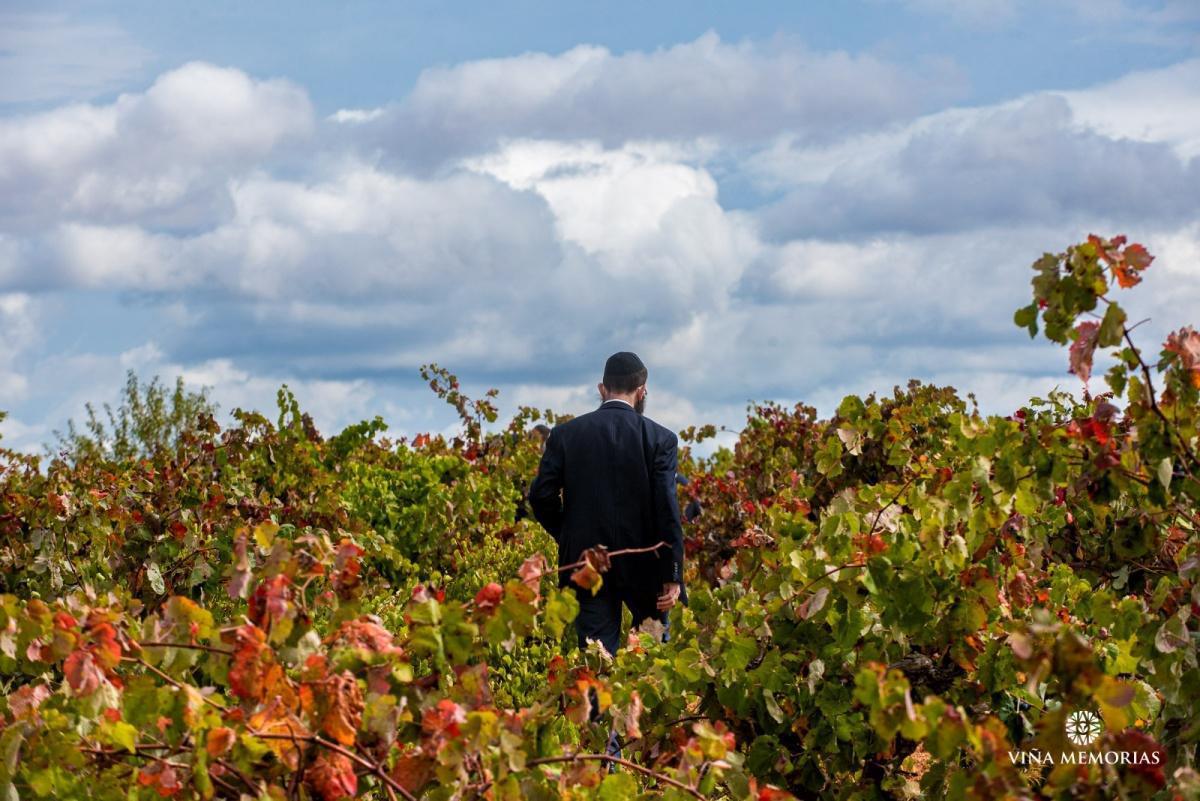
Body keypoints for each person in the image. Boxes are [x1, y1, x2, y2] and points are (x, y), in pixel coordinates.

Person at [528, 352, 686, 657]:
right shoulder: (661, 439)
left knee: (596, 662)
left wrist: (570, 533)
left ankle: (599, 707)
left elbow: (540, 496)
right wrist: (672, 573)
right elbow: (668, 509)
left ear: (603, 389)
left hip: (586, 563)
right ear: (642, 392)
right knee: (653, 663)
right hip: (646, 563)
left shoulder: (565, 435)